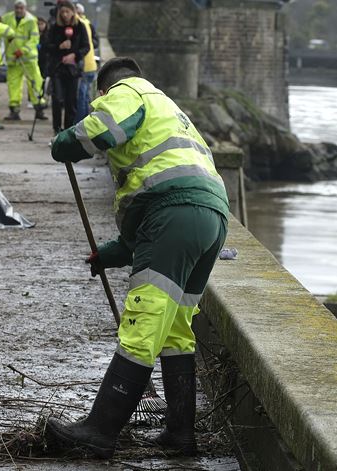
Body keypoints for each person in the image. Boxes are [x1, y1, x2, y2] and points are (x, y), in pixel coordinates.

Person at [46, 57, 230, 458]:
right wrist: (113, 253)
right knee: (177, 330)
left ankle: (100, 429)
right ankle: (180, 434)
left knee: (142, 322)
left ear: (103, 90)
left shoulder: (127, 93)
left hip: (174, 215)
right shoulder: (171, 109)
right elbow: (148, 200)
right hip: (210, 217)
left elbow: (103, 131)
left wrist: (66, 143)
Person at [43, 1, 89, 134]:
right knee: (57, 99)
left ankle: (68, 130)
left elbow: (86, 46)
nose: (64, 15)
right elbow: (46, 46)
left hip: (73, 69)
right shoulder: (54, 27)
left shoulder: (80, 26)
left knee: (71, 101)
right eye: (62, 12)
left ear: (72, 12)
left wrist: (75, 55)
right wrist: (59, 47)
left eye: (67, 12)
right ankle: (56, 129)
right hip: (57, 68)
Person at [1, 0, 46, 121]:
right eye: (17, 8)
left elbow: (34, 39)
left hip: (28, 59)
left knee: (35, 83)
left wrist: (23, 50)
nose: (19, 10)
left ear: (25, 8)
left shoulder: (31, 20)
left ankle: (39, 109)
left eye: (21, 8)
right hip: (13, 59)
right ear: (14, 8)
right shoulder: (6, 18)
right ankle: (14, 110)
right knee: (13, 85)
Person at [75, 3, 99, 120]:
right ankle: (86, 121)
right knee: (85, 97)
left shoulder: (79, 24)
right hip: (91, 65)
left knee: (81, 97)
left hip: (83, 65)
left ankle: (80, 124)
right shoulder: (88, 23)